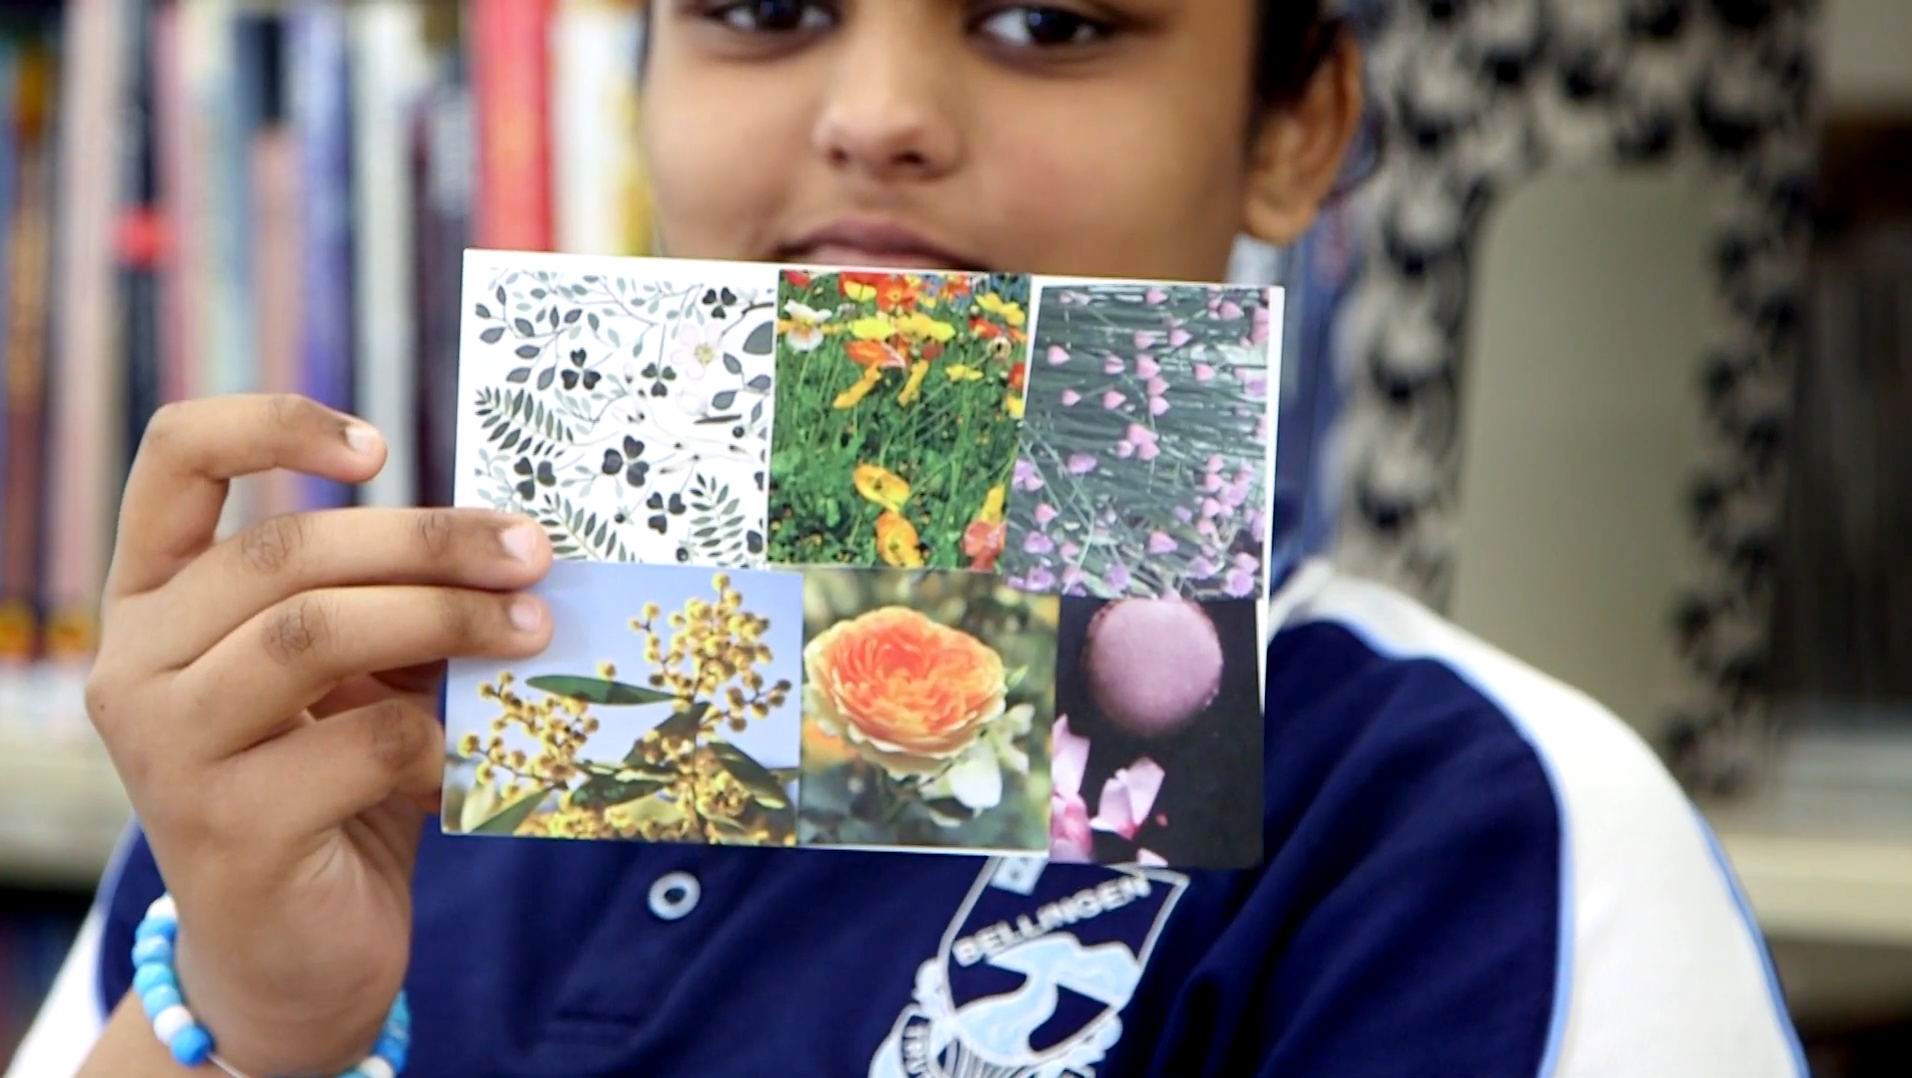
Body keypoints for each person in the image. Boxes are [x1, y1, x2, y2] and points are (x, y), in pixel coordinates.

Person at [11, 2, 1805, 1076]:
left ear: (1296, 127)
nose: (875, 111)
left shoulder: (1474, 829)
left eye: (1048, 22)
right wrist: (246, 1024)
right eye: (763, 4)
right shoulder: (328, 766)